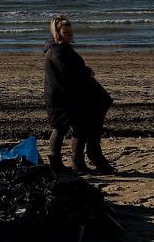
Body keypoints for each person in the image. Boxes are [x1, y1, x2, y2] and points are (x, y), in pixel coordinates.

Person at [43, 14, 115, 174]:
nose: (69, 35)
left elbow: (72, 71)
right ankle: (69, 163)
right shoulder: (57, 51)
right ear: (57, 33)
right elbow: (70, 73)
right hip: (62, 98)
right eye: (65, 33)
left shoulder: (61, 48)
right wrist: (87, 72)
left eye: (70, 32)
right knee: (67, 128)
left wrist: (85, 72)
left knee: (67, 128)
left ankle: (72, 163)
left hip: (64, 96)